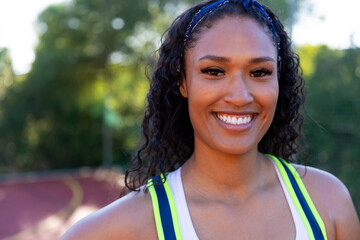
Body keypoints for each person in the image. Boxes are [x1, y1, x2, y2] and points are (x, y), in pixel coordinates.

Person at [61, 0, 360, 239]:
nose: (240, 96)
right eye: (214, 71)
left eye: (259, 72)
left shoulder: (328, 202)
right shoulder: (124, 228)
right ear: (183, 82)